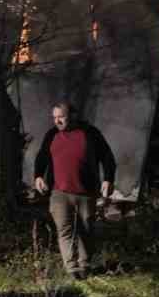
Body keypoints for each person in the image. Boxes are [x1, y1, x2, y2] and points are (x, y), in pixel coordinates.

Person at [32, 100, 117, 281]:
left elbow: (107, 156)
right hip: (59, 193)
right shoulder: (52, 134)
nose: (57, 121)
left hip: (85, 192)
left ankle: (85, 264)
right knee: (65, 230)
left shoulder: (90, 133)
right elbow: (42, 156)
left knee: (86, 228)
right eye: (54, 118)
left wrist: (108, 178)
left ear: (73, 116)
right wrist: (38, 175)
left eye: (61, 117)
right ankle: (72, 269)